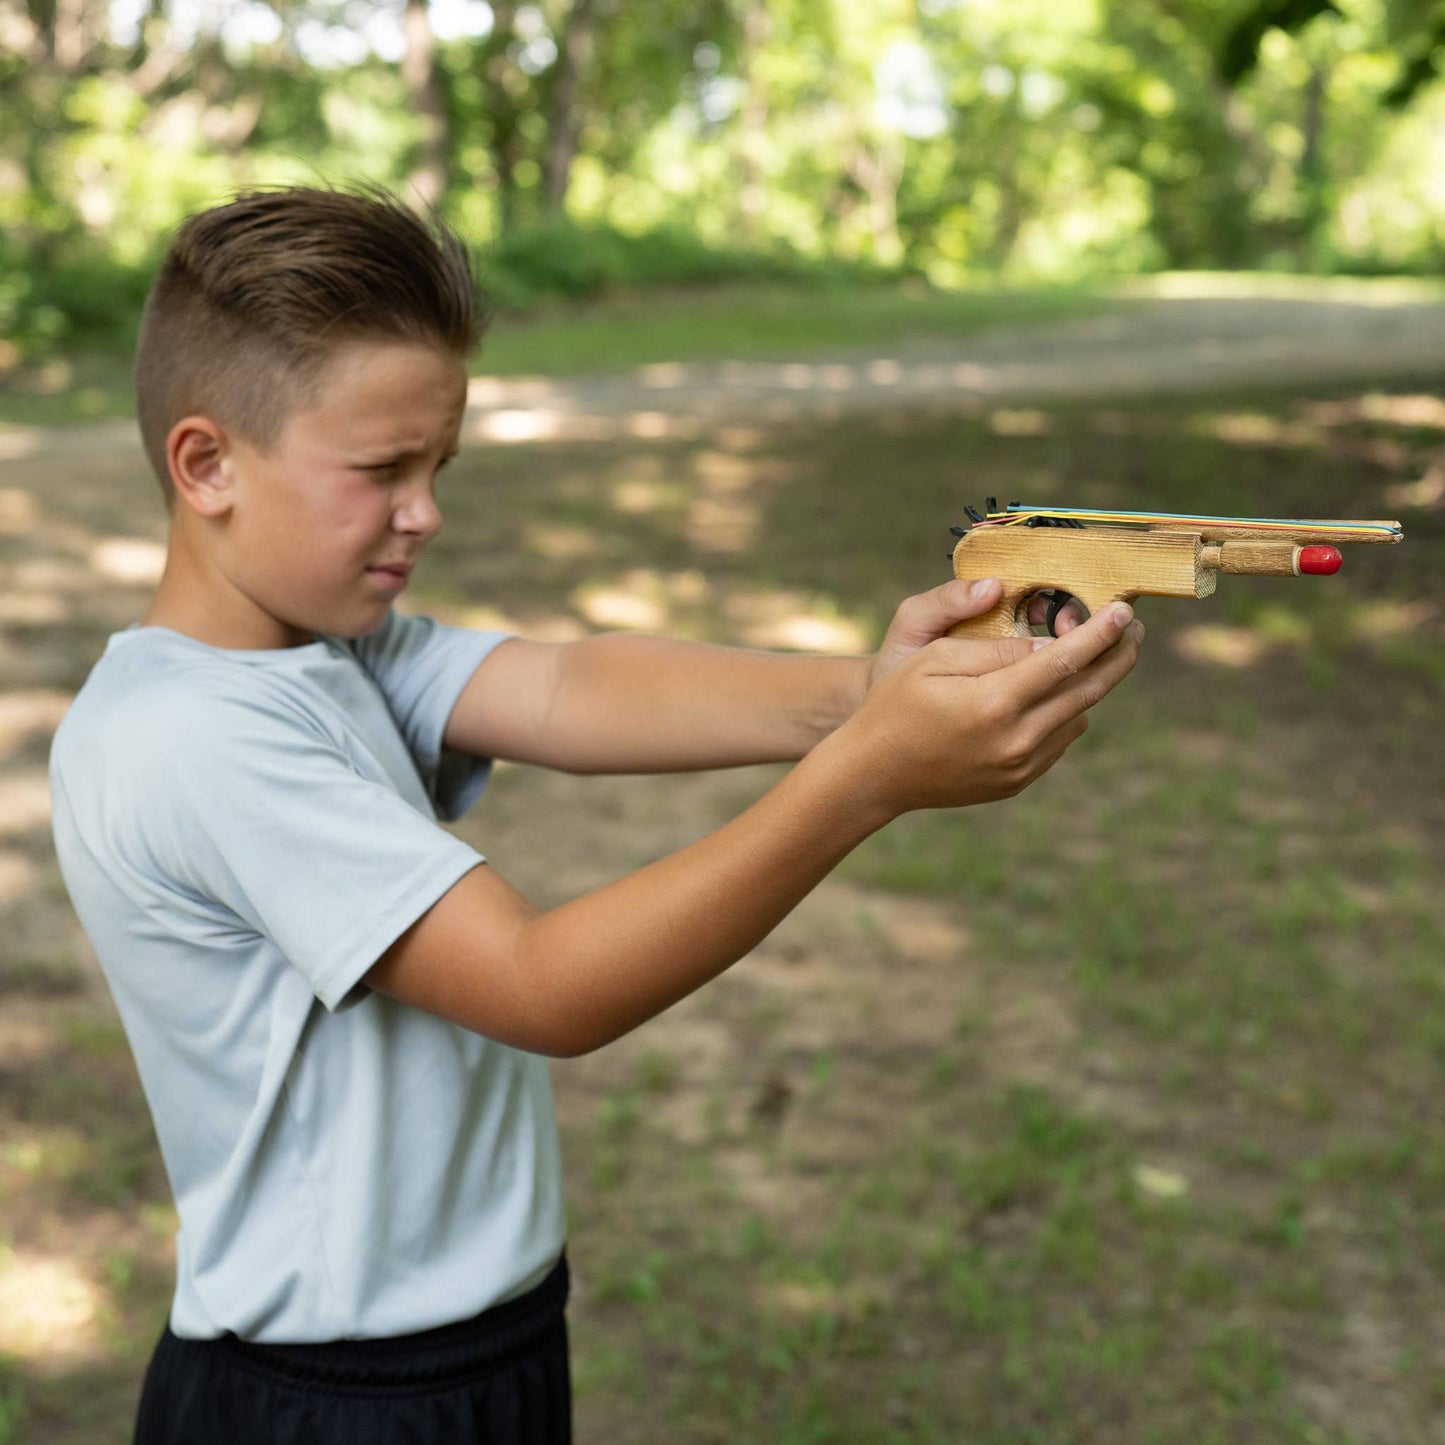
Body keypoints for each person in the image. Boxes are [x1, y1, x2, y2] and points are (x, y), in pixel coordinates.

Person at [47, 185, 1143, 1445]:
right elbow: (539, 983)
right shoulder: (198, 736)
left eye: (437, 465)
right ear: (206, 464)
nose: (425, 511)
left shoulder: (319, 646)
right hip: (337, 1399)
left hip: (466, 1345)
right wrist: (868, 776)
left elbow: (568, 685)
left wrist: (867, 692)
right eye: (381, 470)